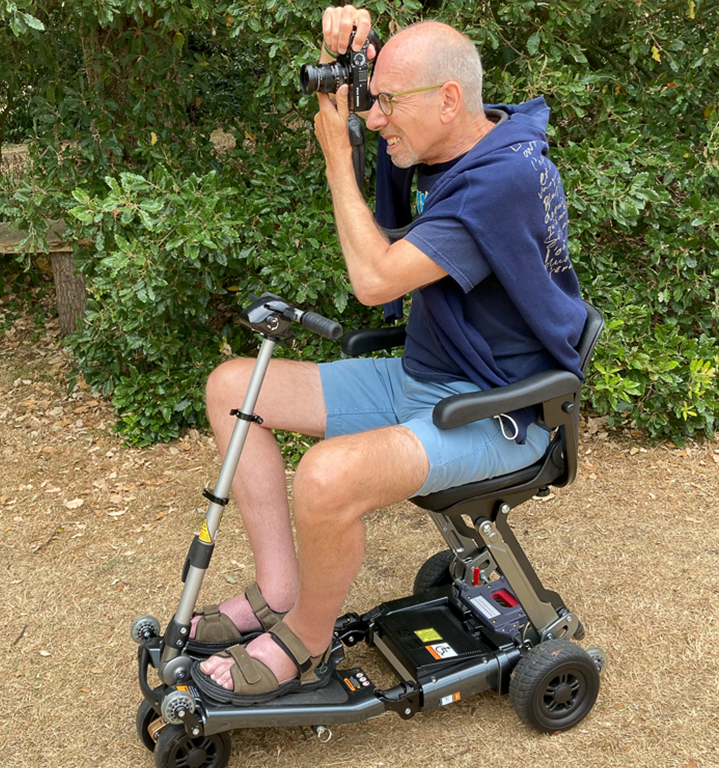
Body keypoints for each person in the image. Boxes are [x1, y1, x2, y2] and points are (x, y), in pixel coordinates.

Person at [189, 4, 587, 704]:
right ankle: (279, 590)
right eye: (373, 105)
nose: (375, 120)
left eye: (388, 105)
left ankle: (305, 639)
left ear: (449, 99)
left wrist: (336, 159)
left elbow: (375, 281)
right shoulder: (450, 141)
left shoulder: (504, 180)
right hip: (423, 378)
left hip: (496, 415)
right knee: (233, 387)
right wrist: (348, 60)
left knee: (324, 477)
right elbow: (389, 117)